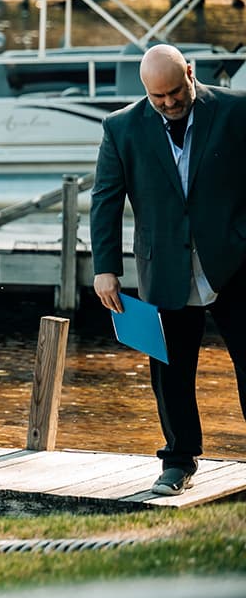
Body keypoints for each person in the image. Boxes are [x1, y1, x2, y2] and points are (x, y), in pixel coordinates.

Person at [91, 44, 246, 496]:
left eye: (175, 93)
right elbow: (104, 200)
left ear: (190, 74)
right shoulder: (121, 127)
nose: (169, 104)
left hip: (233, 264)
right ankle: (179, 461)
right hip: (164, 269)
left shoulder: (236, 110)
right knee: (171, 371)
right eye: (158, 98)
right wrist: (106, 268)